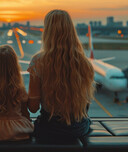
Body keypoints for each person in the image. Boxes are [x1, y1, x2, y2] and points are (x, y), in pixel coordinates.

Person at [27, 9, 95, 142]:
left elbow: (33, 108)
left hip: (50, 128)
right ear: (71, 30)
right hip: (79, 127)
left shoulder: (38, 61)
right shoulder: (85, 63)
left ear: (47, 31)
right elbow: (86, 104)